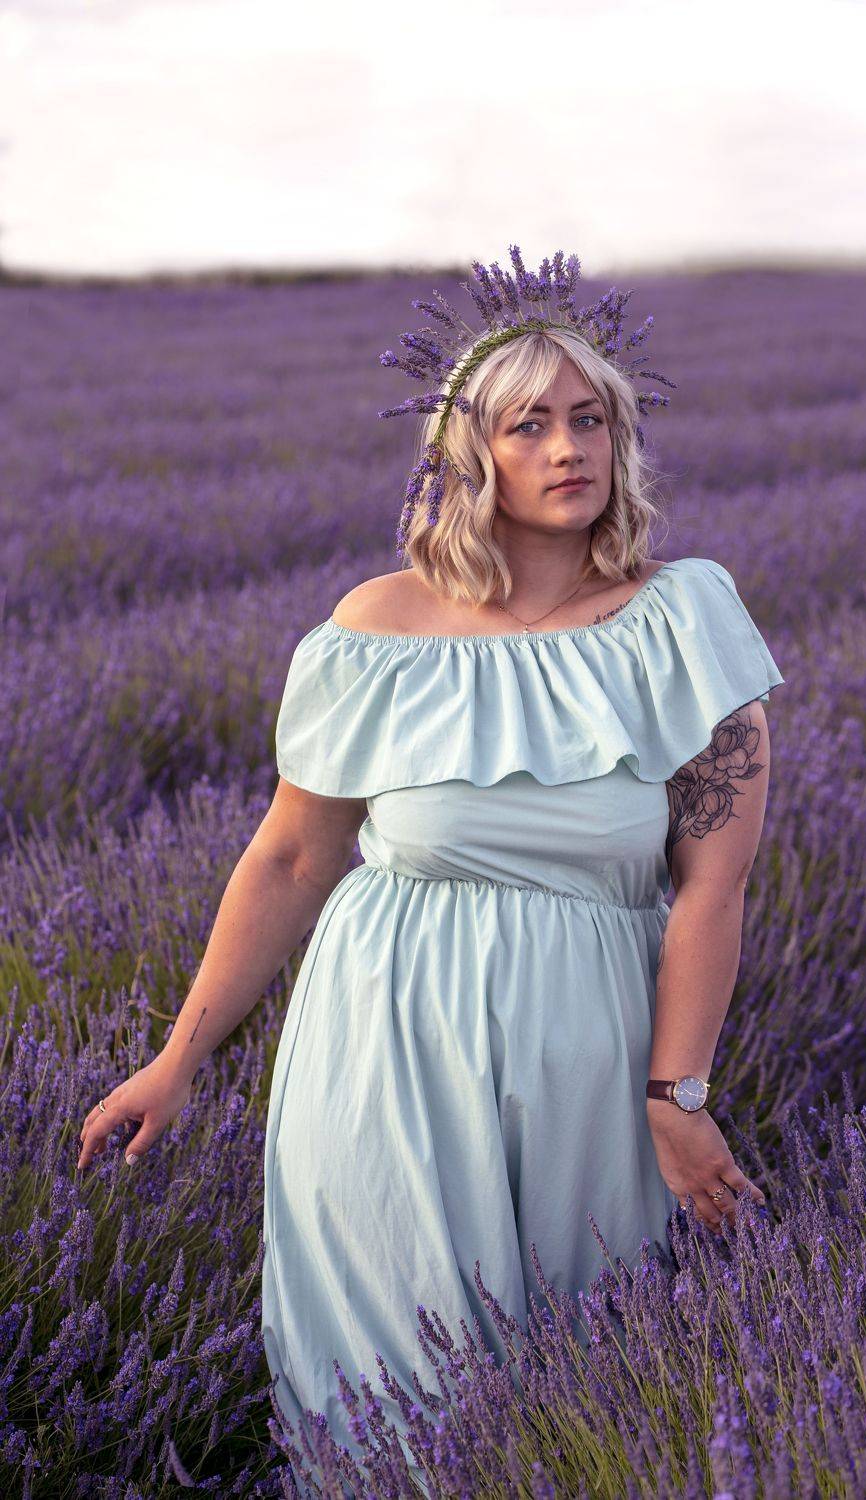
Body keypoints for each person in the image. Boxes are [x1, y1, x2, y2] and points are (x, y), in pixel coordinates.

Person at [76, 248, 785, 1496]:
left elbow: (712, 887)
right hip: (382, 1038)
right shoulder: (376, 630)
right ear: (471, 454)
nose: (567, 449)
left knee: (577, 1379)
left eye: (590, 420)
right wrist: (178, 1059)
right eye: (529, 425)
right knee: (386, 1383)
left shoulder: (684, 619)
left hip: (589, 1050)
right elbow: (290, 857)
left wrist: (676, 1096)